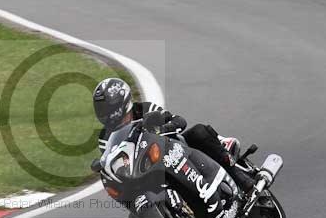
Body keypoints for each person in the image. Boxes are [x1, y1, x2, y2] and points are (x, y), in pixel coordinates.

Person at [92, 77, 254, 194]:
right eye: (101, 109)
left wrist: (165, 127)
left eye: (107, 107)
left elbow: (179, 120)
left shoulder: (143, 109)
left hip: (176, 150)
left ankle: (238, 175)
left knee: (199, 132)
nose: (105, 113)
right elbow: (114, 165)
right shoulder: (104, 137)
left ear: (121, 102)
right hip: (146, 171)